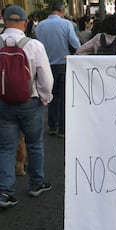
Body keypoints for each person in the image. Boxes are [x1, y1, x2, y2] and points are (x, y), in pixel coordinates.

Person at [0, 5, 54, 208]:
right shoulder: (34, 45)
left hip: (3, 103)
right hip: (30, 102)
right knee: (35, 144)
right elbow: (46, 79)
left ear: (4, 20)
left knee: (5, 147)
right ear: (25, 22)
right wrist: (45, 97)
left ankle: (5, 192)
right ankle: (36, 184)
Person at [35, 0, 81, 138]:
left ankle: (52, 126)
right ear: (62, 10)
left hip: (45, 66)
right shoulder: (66, 24)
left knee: (51, 96)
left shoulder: (40, 26)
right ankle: (62, 128)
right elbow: (75, 44)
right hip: (63, 63)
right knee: (64, 97)